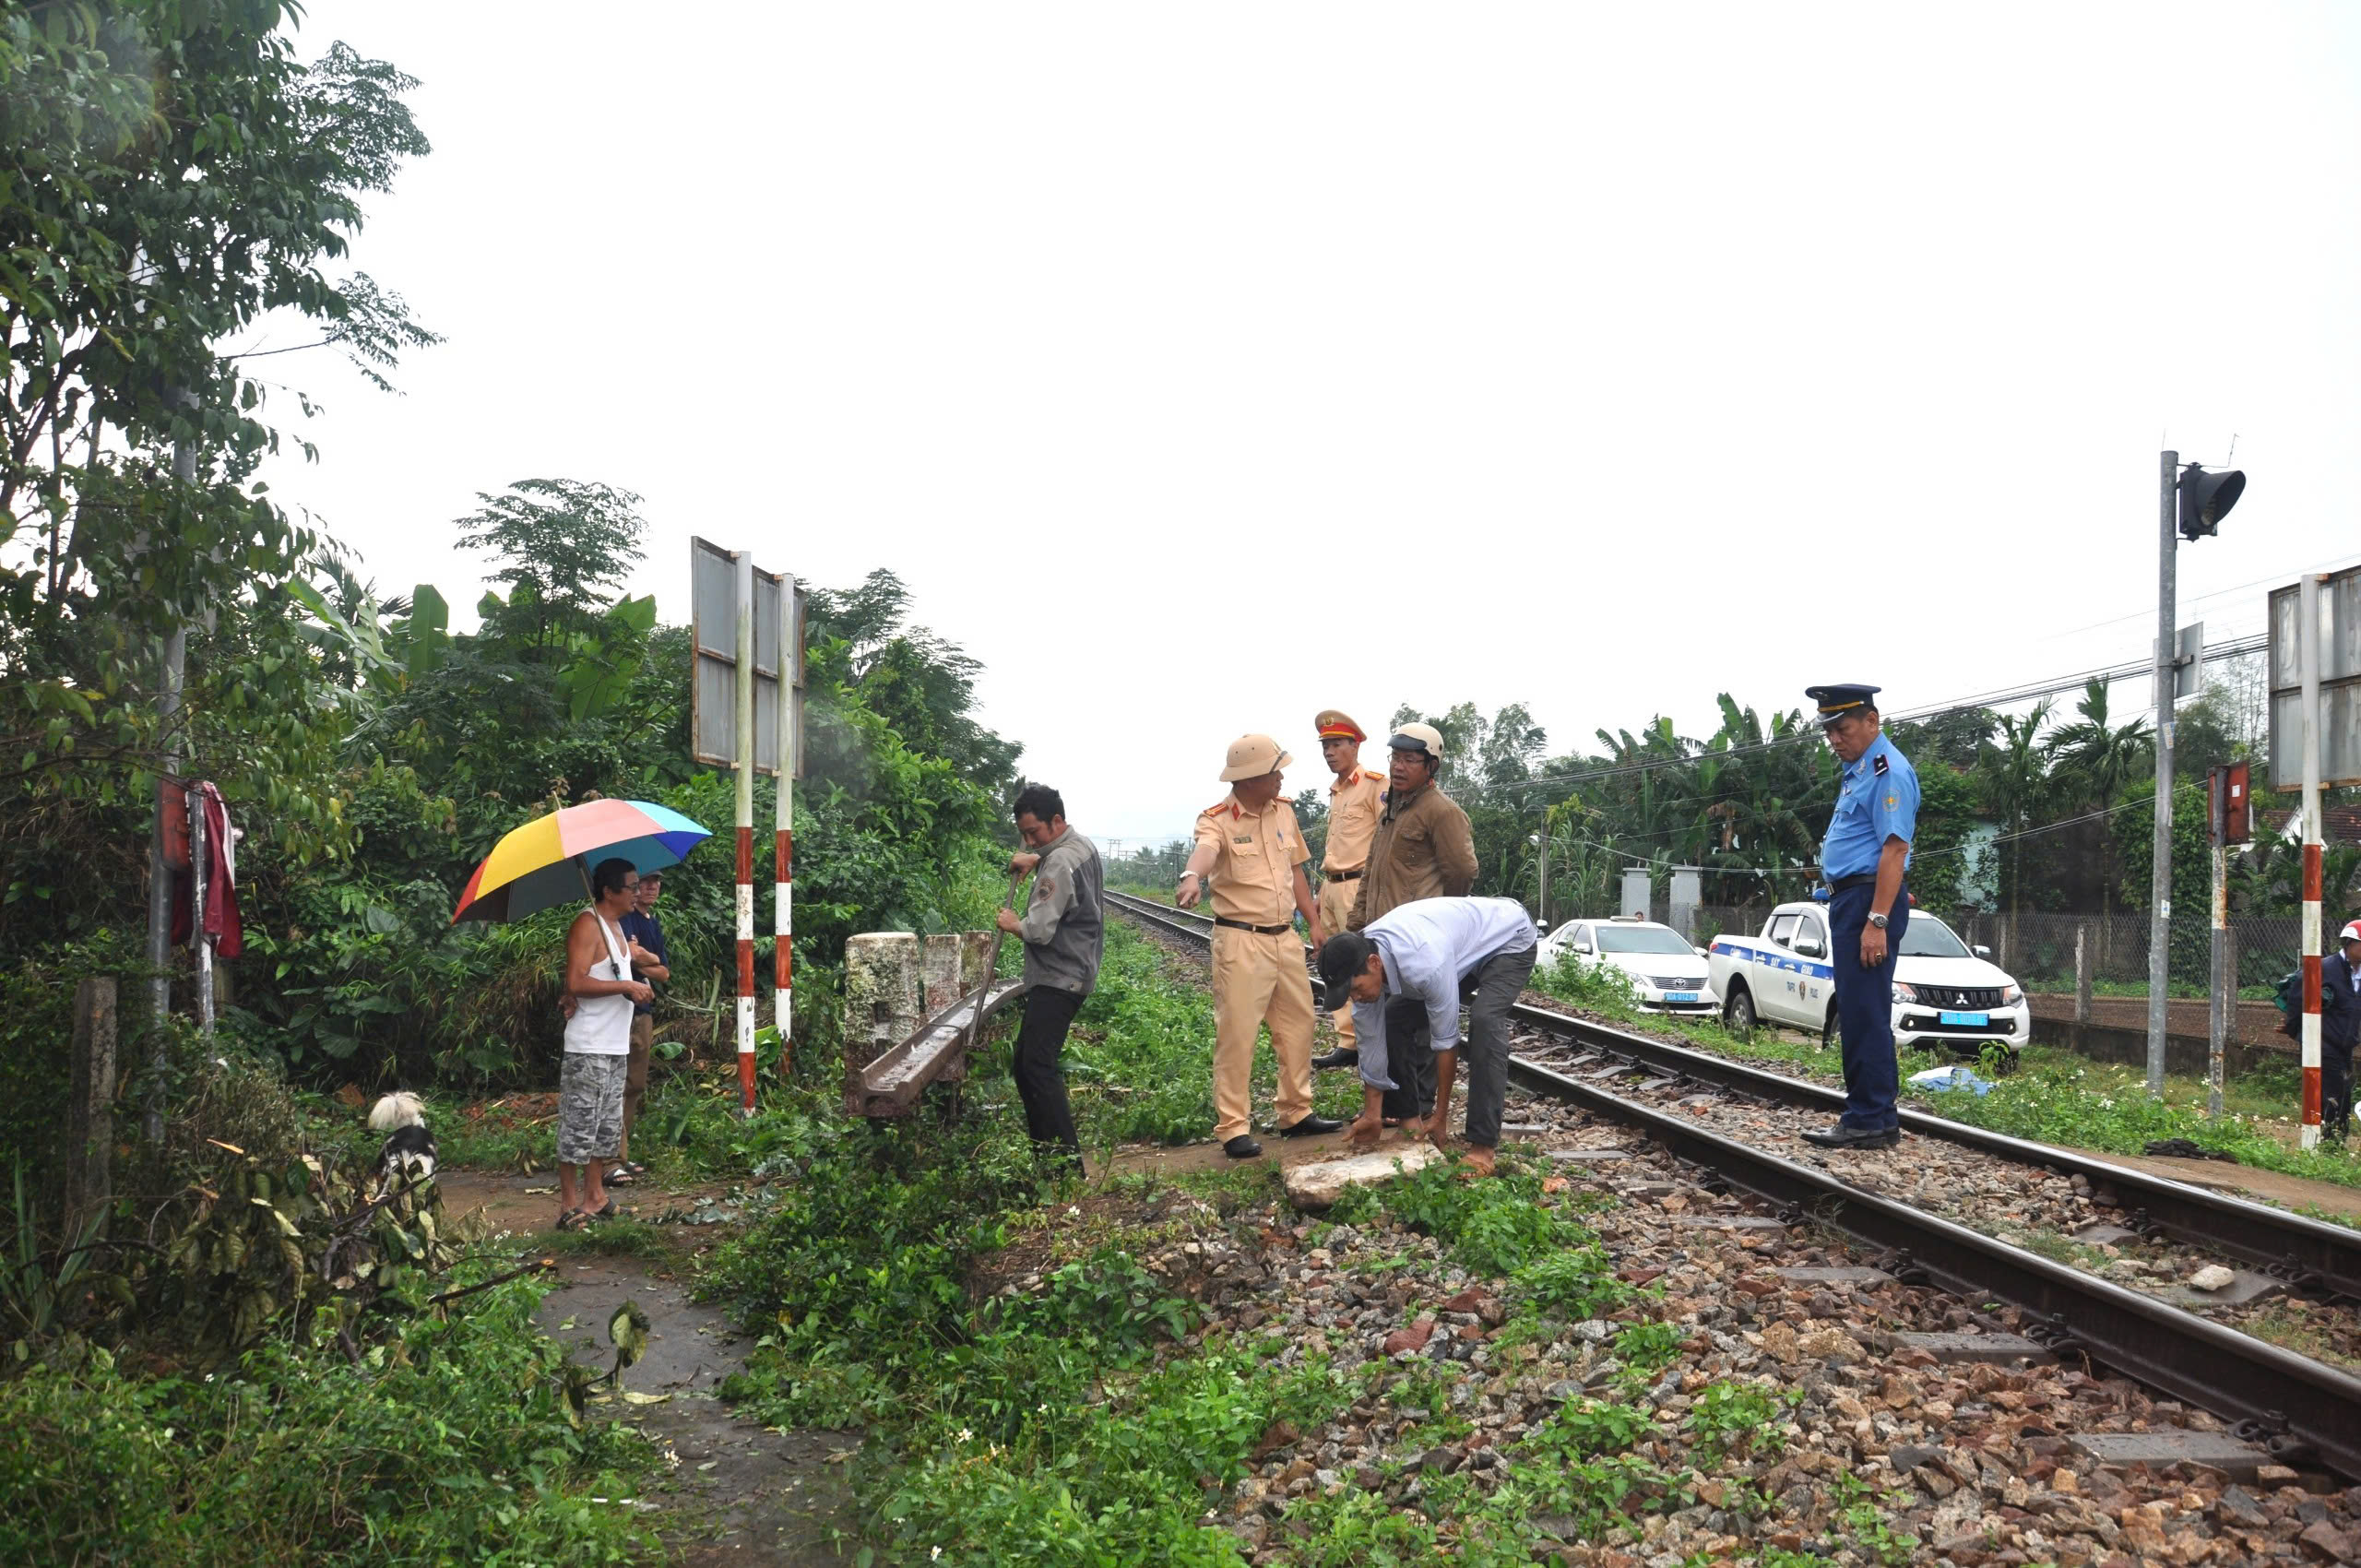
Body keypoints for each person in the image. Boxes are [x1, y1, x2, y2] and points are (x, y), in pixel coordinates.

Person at [1177, 734, 1345, 1158]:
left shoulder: (1283, 812)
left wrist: (1314, 923)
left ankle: (1295, 1112)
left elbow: (1297, 872)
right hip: (1240, 940)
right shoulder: (1216, 820)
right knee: (1238, 1035)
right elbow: (1205, 851)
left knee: (1299, 1027)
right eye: (1275, 771)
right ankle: (1233, 1127)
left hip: (1284, 939)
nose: (1282, 777)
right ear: (1251, 778)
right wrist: (1191, 877)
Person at [1317, 897, 1537, 1179]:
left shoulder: (1424, 963)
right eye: (1350, 994)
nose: (1356, 997)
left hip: (1509, 938)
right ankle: (1409, 1123)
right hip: (1459, 948)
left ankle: (1483, 1146)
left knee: (1485, 1020)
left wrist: (1440, 1117)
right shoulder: (1362, 956)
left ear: (1374, 963)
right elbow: (1371, 1044)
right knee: (1392, 1017)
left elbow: (1445, 1042)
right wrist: (1373, 1113)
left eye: (1357, 989)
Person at [1347, 721, 1479, 1128]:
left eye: (1409, 760)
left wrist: (1434, 921)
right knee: (1387, 1025)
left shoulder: (1441, 812)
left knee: (1418, 1032)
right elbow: (1372, 871)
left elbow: (1462, 872)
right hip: (1380, 939)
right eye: (1394, 758)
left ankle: (1419, 1109)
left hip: (1417, 945)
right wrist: (1356, 928)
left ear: (1431, 766)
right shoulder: (1394, 807)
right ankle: (1395, 1108)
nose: (1398, 767)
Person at [1803, 683, 1918, 1151]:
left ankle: (1868, 1118)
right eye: (1828, 730)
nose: (1834, 738)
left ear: (1872, 721)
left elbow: (1894, 850)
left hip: (1869, 904)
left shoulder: (1887, 772)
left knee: (1864, 1012)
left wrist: (1877, 922)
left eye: (1842, 728)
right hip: (1851, 901)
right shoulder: (1860, 771)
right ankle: (1877, 1116)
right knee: (1859, 1010)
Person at [995, 784, 1103, 1168]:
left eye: (1034, 833)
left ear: (1056, 821)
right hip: (1075, 970)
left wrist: (1012, 923)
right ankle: (1049, 1158)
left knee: (1035, 1067)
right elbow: (1058, 863)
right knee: (1027, 1062)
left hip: (1060, 976)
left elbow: (1038, 929)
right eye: (1023, 834)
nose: (1028, 840)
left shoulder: (1057, 863)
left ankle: (1065, 1165)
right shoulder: (1080, 846)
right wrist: (1036, 857)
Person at [558, 857, 651, 1228]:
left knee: (604, 1128)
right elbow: (576, 983)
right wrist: (625, 985)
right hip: (588, 1045)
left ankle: (595, 1196)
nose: (638, 892)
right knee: (578, 1127)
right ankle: (568, 1206)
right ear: (609, 891)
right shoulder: (586, 924)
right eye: (631, 886)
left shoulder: (615, 925)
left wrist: (634, 986)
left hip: (615, 1045)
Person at [1310, 709, 1389, 1071]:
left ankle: (1369, 1040)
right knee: (1332, 962)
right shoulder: (1337, 791)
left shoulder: (1374, 785)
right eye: (1325, 745)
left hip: (1358, 886)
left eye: (1337, 744)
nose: (1329, 752)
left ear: (1354, 746)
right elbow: (1335, 844)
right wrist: (1321, 892)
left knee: (1359, 961)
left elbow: (1386, 840)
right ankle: (1348, 1042)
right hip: (1331, 885)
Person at [609, 869, 671, 1187]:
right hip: (621, 1009)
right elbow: (627, 956)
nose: (649, 888)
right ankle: (610, 1159)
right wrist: (647, 958)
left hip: (644, 1011)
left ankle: (621, 1154)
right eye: (642, 883)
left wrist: (646, 956)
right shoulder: (626, 918)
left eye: (655, 882)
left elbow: (663, 972)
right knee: (616, 1084)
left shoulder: (652, 922)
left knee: (635, 1083)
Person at [2323, 919, 2361, 1144]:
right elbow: (2298, 997)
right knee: (2334, 1094)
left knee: (2344, 1095)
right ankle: (2329, 1142)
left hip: (2346, 1044)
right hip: (2325, 1043)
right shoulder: (2326, 968)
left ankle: (2336, 1142)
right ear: (2349, 944)